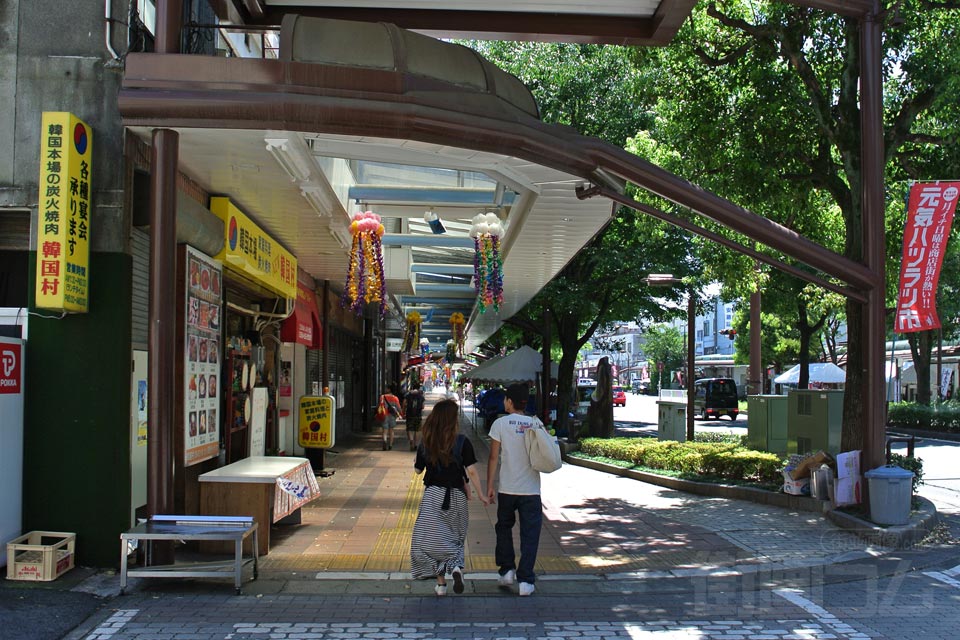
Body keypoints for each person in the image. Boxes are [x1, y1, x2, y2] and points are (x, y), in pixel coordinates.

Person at [410, 399, 488, 596]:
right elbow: (471, 471)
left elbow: (418, 470)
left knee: (430, 539)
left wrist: (420, 460)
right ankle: (455, 568)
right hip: (457, 496)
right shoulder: (462, 442)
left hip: (433, 495)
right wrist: (481, 494)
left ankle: (441, 584)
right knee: (456, 537)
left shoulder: (426, 441)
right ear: (453, 420)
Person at [485, 382, 542, 597]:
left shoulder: (500, 424)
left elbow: (493, 458)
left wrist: (489, 486)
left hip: (507, 488)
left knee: (504, 528)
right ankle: (526, 580)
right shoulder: (535, 424)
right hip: (531, 490)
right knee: (530, 534)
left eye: (505, 399)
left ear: (509, 401)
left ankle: (507, 570)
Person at [378, 384, 403, 450]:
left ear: (389, 389)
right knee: (391, 430)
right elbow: (398, 407)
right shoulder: (395, 398)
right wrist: (401, 413)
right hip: (392, 416)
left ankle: (385, 440)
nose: (385, 389)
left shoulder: (382, 397)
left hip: (384, 414)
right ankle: (390, 445)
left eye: (387, 388)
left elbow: (380, 405)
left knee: (384, 431)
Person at [404, 381, 426, 451]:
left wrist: (403, 411)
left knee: (410, 429)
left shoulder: (408, 394)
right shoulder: (421, 396)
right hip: (418, 415)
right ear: (419, 387)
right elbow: (422, 407)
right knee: (417, 430)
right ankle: (415, 444)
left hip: (409, 414)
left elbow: (404, 404)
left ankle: (411, 440)